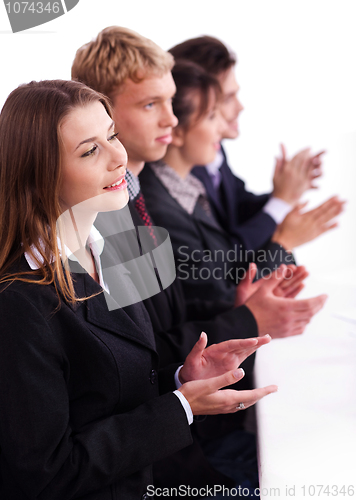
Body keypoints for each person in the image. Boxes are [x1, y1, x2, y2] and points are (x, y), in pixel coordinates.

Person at [71, 27, 326, 495]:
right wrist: (244, 314)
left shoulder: (133, 199)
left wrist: (236, 301)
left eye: (171, 101)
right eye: (151, 105)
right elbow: (145, 358)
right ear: (102, 112)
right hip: (168, 461)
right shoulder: (105, 220)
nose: (173, 119)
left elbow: (159, 333)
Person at [0, 79, 278, 500]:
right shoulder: (18, 303)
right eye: (90, 150)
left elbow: (109, 394)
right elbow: (46, 474)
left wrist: (185, 379)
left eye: (111, 135)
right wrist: (181, 407)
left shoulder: (105, 251)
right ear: (40, 176)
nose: (119, 156)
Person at [168, 35, 344, 254]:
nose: (240, 107)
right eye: (227, 99)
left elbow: (235, 208)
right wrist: (281, 211)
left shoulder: (214, 149)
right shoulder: (181, 167)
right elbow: (223, 256)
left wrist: (287, 190)